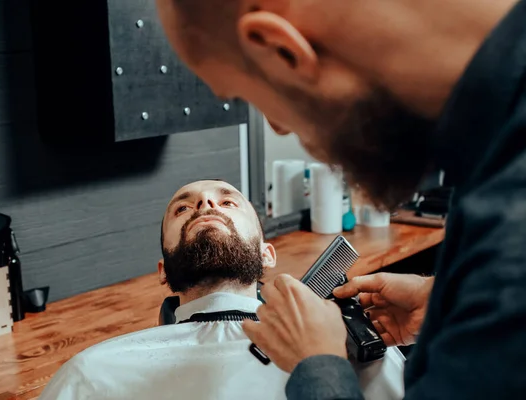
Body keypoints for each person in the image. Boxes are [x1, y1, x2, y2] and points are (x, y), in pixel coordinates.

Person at [155, 0, 526, 398]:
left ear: (280, 50)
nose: (279, 129)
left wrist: (318, 365)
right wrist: (450, 298)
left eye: (253, 99)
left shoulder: (507, 253)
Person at [39, 180, 405, 399]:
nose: (206, 204)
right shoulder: (94, 374)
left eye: (228, 201)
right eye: (183, 208)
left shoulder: (358, 355)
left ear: (267, 255)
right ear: (164, 272)